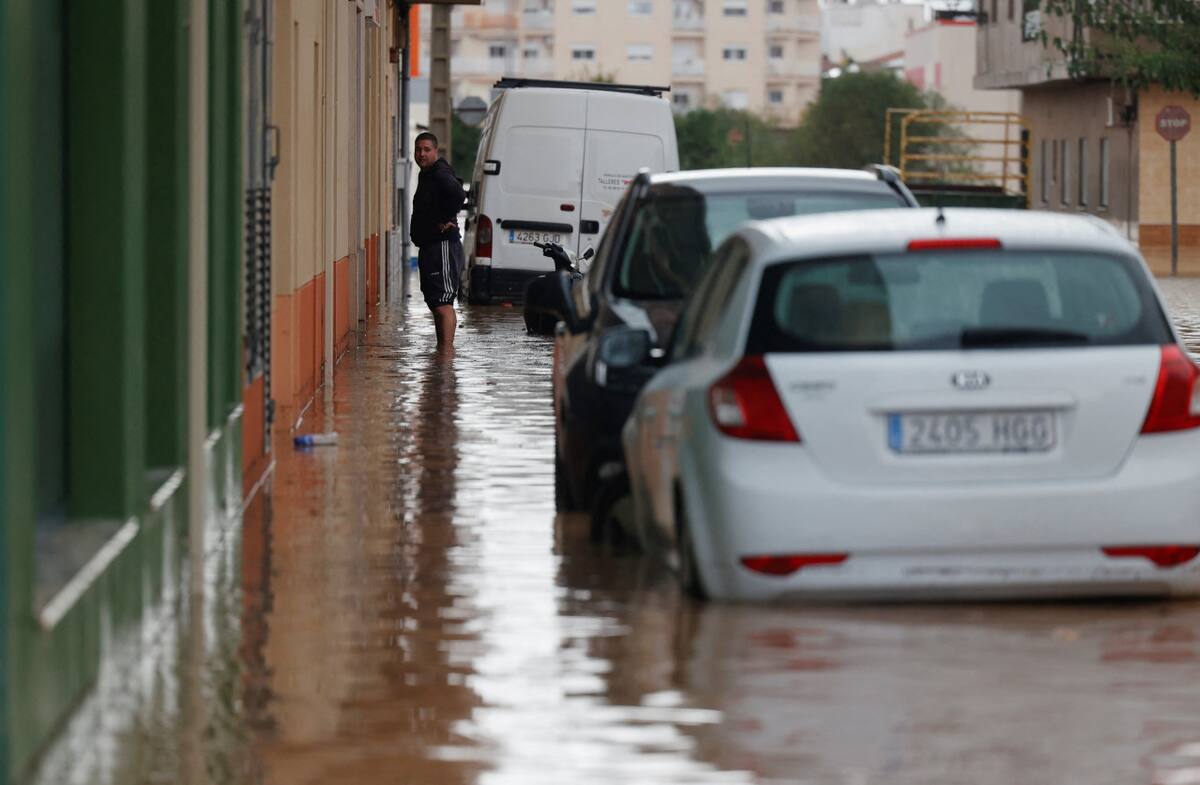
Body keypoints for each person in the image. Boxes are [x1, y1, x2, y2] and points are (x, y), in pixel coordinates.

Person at [411, 132, 466, 347]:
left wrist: (445, 218)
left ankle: (446, 354)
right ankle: (442, 353)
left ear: (436, 151)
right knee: (436, 302)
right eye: (418, 149)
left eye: (426, 149)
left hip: (442, 245)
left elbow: (459, 195)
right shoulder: (427, 173)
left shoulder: (439, 171)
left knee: (443, 304)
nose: (421, 154)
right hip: (430, 246)